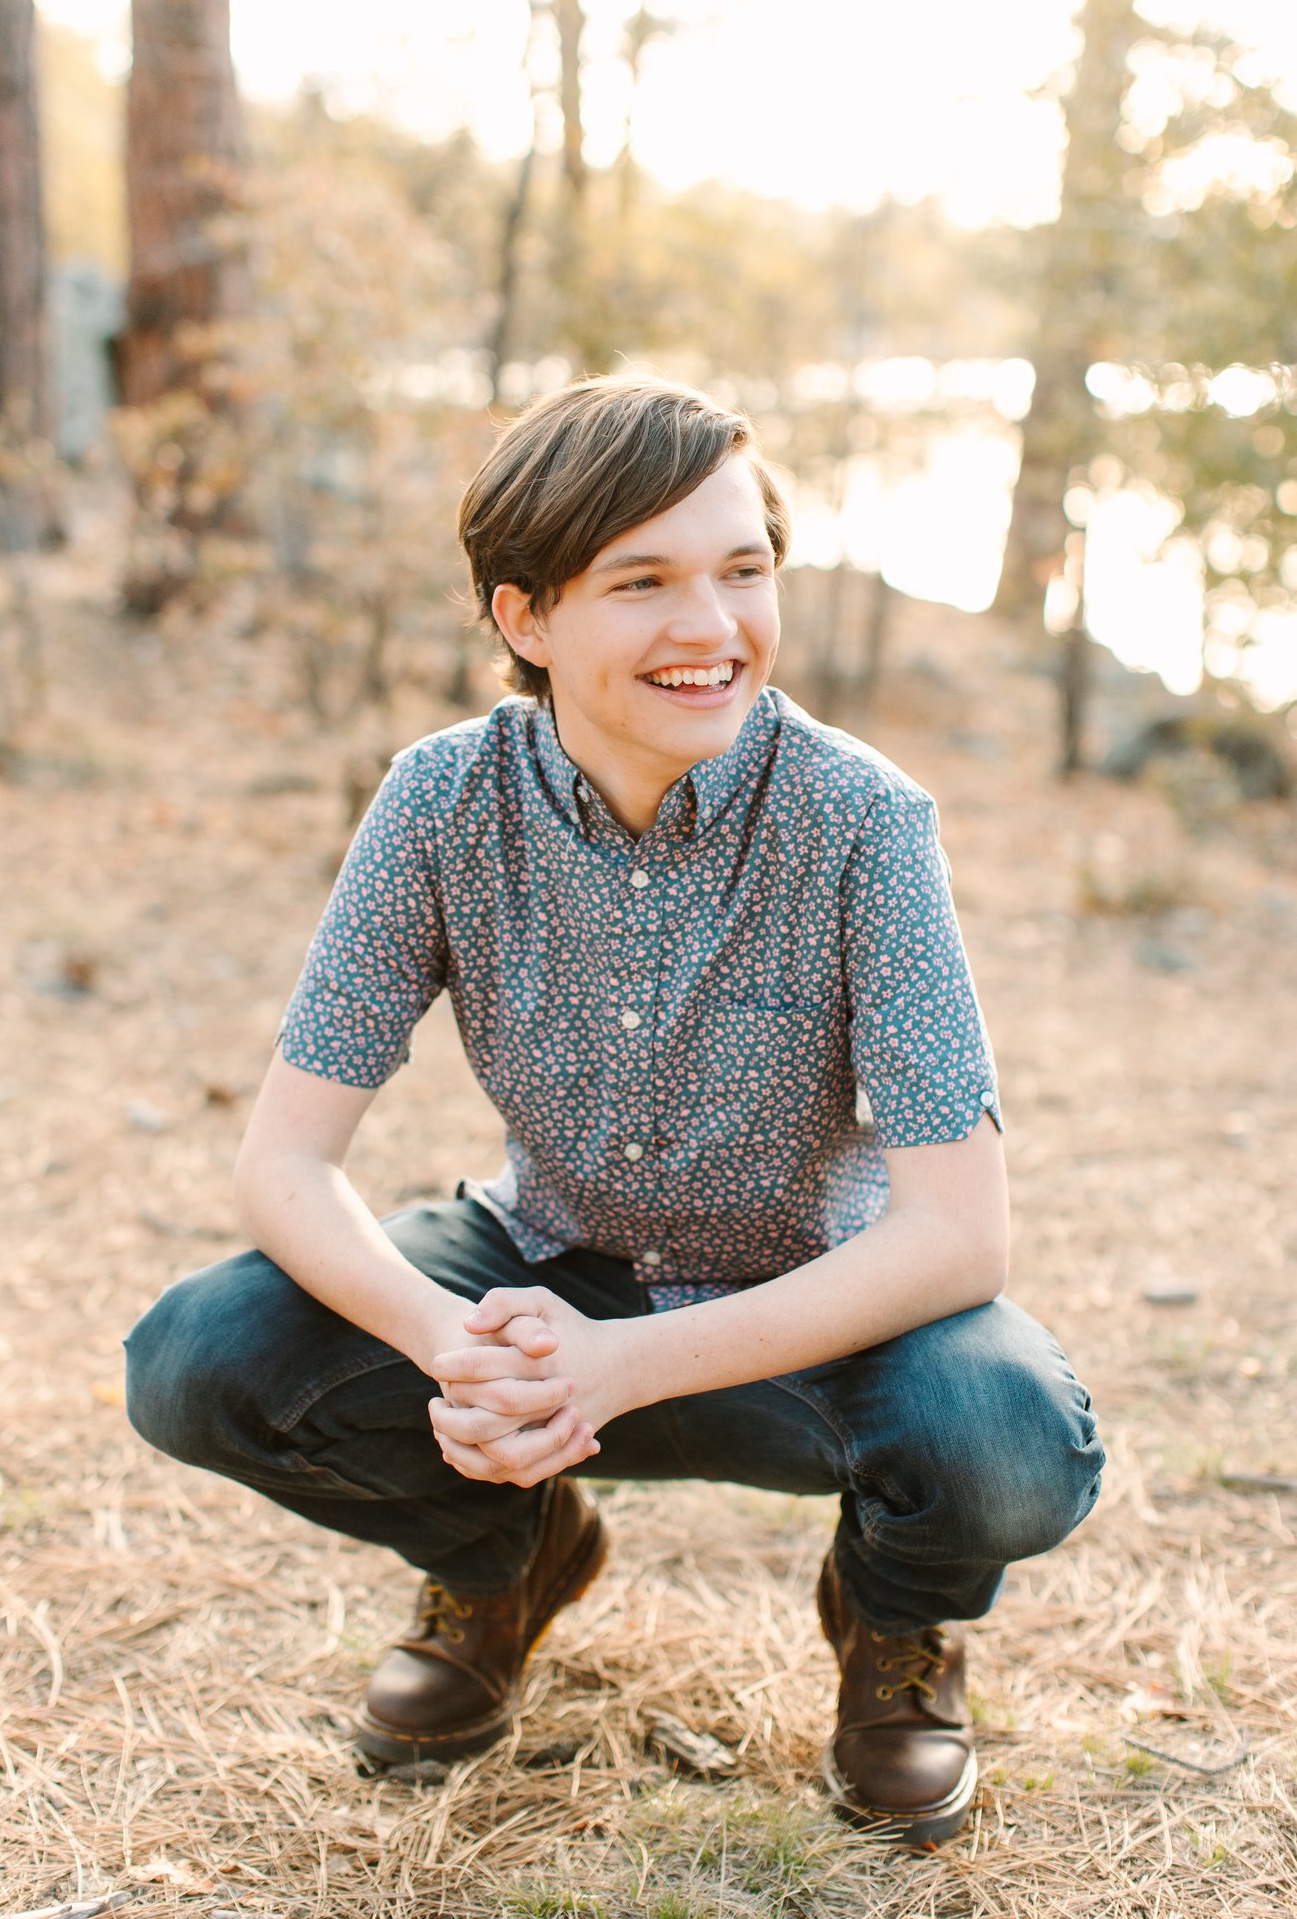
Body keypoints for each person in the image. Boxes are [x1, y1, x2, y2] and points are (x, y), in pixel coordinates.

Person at [126, 376, 1104, 1848]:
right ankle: (499, 1555)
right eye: (642, 582)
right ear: (525, 618)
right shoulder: (439, 803)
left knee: (1006, 1436)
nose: (710, 627)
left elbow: (958, 1239)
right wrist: (454, 1343)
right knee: (200, 1356)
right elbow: (284, 1163)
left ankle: (893, 1638)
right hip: (539, 1266)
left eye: (742, 570)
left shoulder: (864, 820)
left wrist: (615, 1369)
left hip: (812, 1313)